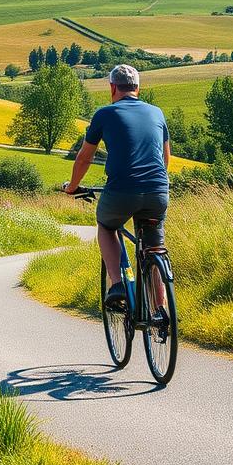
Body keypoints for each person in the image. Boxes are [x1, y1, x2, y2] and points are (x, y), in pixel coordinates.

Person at [65, 64, 170, 307]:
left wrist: (72, 186)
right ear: (138, 89)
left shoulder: (105, 113)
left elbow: (84, 158)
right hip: (158, 191)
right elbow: (166, 159)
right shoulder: (157, 112)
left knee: (106, 225)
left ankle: (117, 284)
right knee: (154, 248)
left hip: (122, 190)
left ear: (113, 88)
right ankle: (160, 310)